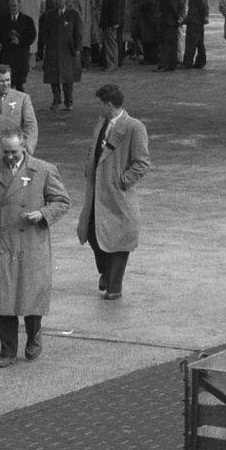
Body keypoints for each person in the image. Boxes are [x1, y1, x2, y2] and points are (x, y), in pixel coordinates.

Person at [0, 132, 71, 367]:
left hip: (30, 240)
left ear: (24, 148)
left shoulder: (44, 170)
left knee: (30, 295)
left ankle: (33, 334)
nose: (9, 157)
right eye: (5, 152)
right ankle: (7, 350)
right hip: (0, 241)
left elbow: (62, 201)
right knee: (2, 297)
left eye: (14, 152)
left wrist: (42, 214)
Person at [77, 84, 150, 301]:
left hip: (117, 195)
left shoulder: (134, 127)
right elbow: (94, 148)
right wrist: (88, 165)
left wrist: (122, 181)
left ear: (109, 105)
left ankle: (114, 287)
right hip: (97, 191)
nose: (97, 107)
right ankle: (105, 272)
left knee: (119, 240)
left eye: (99, 103)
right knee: (91, 231)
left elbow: (142, 162)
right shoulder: (101, 122)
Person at [182, 0, 209, 70]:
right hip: (199, 19)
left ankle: (188, 62)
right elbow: (204, 4)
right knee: (199, 41)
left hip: (195, 19)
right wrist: (205, 16)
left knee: (191, 41)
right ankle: (200, 61)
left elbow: (201, 4)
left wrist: (200, 16)